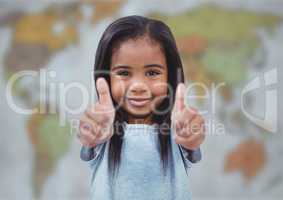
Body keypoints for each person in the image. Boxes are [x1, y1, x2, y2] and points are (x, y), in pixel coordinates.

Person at [77, 15, 205, 200]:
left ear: (170, 76)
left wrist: (192, 137)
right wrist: (89, 134)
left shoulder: (177, 132)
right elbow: (88, 140)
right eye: (123, 73)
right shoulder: (102, 131)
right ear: (105, 77)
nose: (138, 85)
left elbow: (192, 145)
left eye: (152, 73)